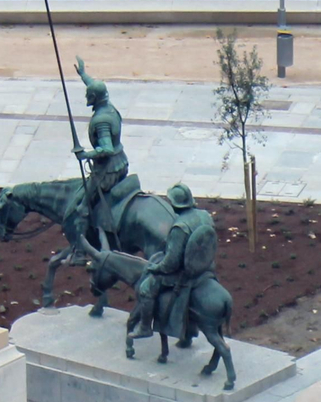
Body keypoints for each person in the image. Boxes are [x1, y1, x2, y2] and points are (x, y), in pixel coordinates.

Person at [139, 184, 218, 348]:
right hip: (207, 267)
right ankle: (188, 332)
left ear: (174, 205)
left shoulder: (179, 227)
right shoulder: (205, 215)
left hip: (184, 273)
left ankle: (145, 327)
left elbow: (171, 263)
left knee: (146, 288)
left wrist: (156, 267)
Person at [73, 57, 133, 245]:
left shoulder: (101, 121)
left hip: (108, 170)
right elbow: (96, 87)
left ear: (93, 99)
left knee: (82, 207)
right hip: (121, 161)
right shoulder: (109, 107)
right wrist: (83, 75)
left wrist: (85, 155)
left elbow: (106, 148)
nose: (86, 98)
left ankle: (81, 250)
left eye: (88, 95)